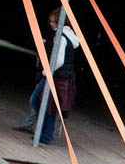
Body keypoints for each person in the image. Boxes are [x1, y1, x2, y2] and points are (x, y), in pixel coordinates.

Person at [15, 8, 80, 144]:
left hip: (55, 77)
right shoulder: (67, 36)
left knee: (37, 101)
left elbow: (59, 60)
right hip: (61, 77)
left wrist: (47, 72)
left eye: (52, 21)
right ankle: (45, 134)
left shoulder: (61, 37)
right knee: (49, 107)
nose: (50, 24)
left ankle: (44, 132)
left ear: (58, 21)